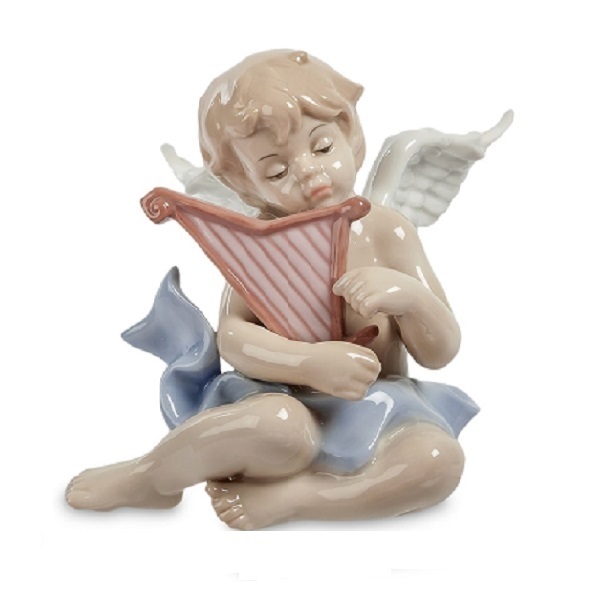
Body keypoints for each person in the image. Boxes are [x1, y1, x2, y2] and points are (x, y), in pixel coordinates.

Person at [66, 50, 477, 530]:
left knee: (436, 460)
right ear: (243, 184)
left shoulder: (388, 231)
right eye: (276, 171)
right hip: (281, 403)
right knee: (280, 428)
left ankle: (301, 498)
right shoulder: (261, 241)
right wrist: (308, 364)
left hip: (380, 407)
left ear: (350, 132)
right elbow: (234, 337)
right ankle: (151, 477)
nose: (307, 171)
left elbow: (440, 351)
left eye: (322, 147)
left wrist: (410, 298)